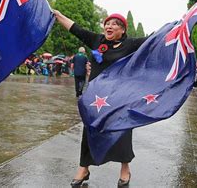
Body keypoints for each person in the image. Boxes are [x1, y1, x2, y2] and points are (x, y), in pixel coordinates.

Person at [54, 10, 147, 187]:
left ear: (122, 30)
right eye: (107, 23)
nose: (109, 26)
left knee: (122, 130)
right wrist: (58, 16)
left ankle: (125, 169)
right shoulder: (97, 41)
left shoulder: (131, 44)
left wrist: (180, 25)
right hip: (96, 98)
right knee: (90, 129)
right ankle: (84, 167)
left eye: (114, 24)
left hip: (119, 98)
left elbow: (155, 40)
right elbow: (76, 29)